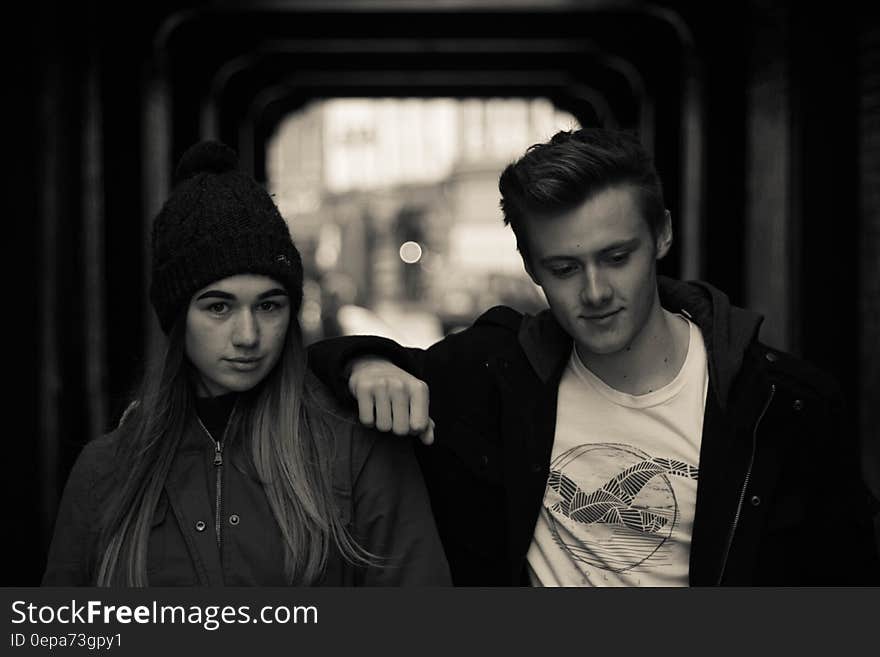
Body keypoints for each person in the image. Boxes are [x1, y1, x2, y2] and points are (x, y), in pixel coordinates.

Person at [309, 128, 880, 586]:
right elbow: (306, 368)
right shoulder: (490, 375)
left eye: (616, 257)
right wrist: (365, 363)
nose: (596, 291)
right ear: (532, 268)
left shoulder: (783, 405)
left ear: (662, 237)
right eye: (564, 269)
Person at [42, 141, 450, 587]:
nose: (248, 336)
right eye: (219, 308)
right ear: (178, 318)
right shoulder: (107, 470)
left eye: (269, 306)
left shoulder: (356, 451)